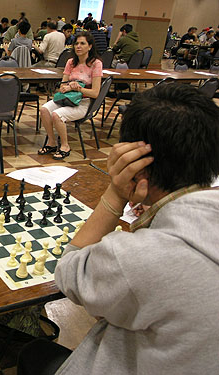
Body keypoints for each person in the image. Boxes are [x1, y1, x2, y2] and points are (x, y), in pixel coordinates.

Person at [18, 82, 219, 375]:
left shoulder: (137, 258)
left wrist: (115, 193)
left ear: (134, 161)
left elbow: (69, 273)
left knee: (35, 354)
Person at [38, 31, 102, 160]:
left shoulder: (96, 64)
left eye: (82, 43)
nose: (78, 46)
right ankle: (51, 142)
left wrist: (79, 89)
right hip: (66, 98)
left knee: (57, 115)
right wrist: (66, 87)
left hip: (83, 103)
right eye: (76, 43)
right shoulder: (71, 62)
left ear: (89, 46)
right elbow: (62, 86)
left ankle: (65, 146)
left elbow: (95, 93)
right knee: (44, 109)